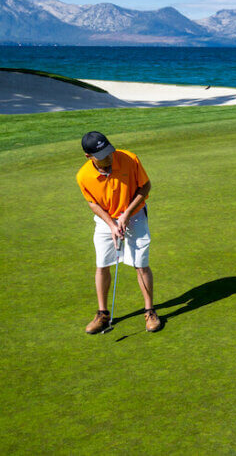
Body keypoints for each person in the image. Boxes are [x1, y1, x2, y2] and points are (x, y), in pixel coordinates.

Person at [76, 131, 161, 334]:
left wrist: (126, 215)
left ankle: (149, 311)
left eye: (109, 151)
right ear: (89, 157)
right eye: (102, 155)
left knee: (141, 264)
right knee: (102, 265)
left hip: (136, 214)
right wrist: (112, 224)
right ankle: (102, 314)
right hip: (106, 221)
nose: (109, 157)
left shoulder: (129, 159)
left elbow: (145, 186)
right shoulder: (84, 176)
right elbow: (92, 203)